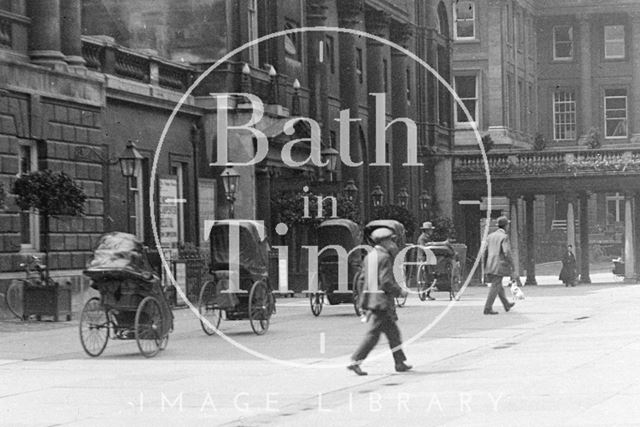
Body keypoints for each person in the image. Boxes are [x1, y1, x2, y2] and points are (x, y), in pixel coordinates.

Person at [348, 227, 412, 376]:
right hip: (380, 302)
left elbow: (362, 280)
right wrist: (400, 291)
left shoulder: (369, 256)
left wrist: (362, 300)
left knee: (393, 333)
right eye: (390, 240)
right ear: (384, 242)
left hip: (372, 299)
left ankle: (399, 362)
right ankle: (355, 361)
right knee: (373, 335)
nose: (392, 243)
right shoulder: (384, 257)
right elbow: (386, 282)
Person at [483, 216, 516, 315]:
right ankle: (488, 307)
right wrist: (512, 264)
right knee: (495, 285)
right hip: (499, 264)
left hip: (490, 264)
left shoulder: (490, 236)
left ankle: (506, 304)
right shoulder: (504, 237)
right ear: (506, 226)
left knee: (498, 285)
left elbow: (485, 252)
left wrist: (485, 265)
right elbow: (506, 252)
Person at [416, 222, 436, 300]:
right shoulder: (422, 238)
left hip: (427, 258)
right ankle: (424, 294)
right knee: (425, 276)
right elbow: (423, 248)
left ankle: (427, 294)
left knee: (429, 276)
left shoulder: (427, 237)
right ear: (427, 230)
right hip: (422, 258)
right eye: (430, 230)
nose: (431, 231)